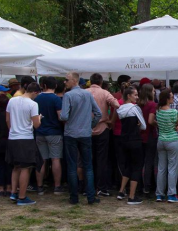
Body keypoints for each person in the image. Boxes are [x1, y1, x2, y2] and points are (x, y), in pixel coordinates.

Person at [60, 72, 102, 205]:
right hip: (85, 133)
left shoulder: (68, 95)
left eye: (66, 80)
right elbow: (98, 113)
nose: (65, 82)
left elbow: (64, 116)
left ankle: (74, 197)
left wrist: (64, 117)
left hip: (71, 133)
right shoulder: (87, 94)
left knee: (72, 166)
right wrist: (90, 125)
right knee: (88, 166)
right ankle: (90, 196)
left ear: (74, 81)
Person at [6, 81, 41, 205]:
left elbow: (8, 119)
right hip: (25, 138)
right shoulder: (33, 104)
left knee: (16, 167)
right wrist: (39, 119)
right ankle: (22, 196)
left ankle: (13, 192)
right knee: (26, 168)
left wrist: (13, 130)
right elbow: (36, 125)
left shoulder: (12, 101)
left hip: (13, 137)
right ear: (35, 92)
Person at [87, 74, 119, 196]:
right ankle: (101, 187)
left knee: (88, 158)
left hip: (87, 129)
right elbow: (116, 105)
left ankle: (89, 186)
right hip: (102, 127)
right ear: (101, 82)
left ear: (90, 81)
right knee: (101, 159)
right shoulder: (105, 93)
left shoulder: (85, 92)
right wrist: (112, 119)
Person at [32, 76, 64, 194]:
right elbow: (61, 116)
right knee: (56, 159)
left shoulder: (37, 98)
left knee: (42, 160)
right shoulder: (56, 99)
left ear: (43, 85)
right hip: (54, 131)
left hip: (40, 131)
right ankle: (57, 186)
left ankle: (40, 186)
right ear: (55, 86)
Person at [115, 87, 147, 205]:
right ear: (129, 96)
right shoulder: (135, 108)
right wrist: (138, 125)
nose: (137, 97)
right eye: (135, 95)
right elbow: (143, 126)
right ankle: (132, 196)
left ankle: (121, 191)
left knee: (127, 165)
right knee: (137, 166)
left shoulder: (120, 108)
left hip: (123, 139)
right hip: (135, 139)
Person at [151, 88, 178, 203]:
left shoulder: (158, 111)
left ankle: (159, 194)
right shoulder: (173, 112)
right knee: (172, 168)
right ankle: (172, 193)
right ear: (167, 99)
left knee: (161, 168)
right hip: (172, 140)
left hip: (161, 140)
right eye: (172, 97)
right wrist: (176, 126)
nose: (173, 98)